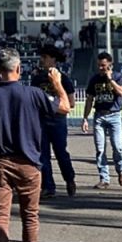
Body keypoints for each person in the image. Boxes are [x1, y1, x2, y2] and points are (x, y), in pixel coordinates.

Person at [0, 48, 70, 242]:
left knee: (1, 215)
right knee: (30, 215)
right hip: (28, 162)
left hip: (0, 161)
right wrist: (57, 84)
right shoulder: (35, 94)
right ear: (18, 69)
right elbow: (65, 107)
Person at [81, 51, 122, 189]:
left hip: (114, 115)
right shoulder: (94, 79)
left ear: (110, 65)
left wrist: (110, 80)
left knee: (117, 147)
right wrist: (85, 118)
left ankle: (121, 171)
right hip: (99, 117)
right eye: (99, 65)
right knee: (100, 149)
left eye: (103, 65)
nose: (101, 68)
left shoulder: (118, 77)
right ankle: (104, 178)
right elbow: (89, 100)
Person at [33, 45, 76, 198]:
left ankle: (69, 179)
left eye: (45, 57)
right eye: (41, 57)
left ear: (53, 59)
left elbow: (71, 103)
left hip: (57, 120)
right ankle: (48, 186)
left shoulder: (63, 79)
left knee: (61, 153)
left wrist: (51, 103)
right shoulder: (37, 79)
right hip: (41, 121)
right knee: (42, 154)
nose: (42, 60)